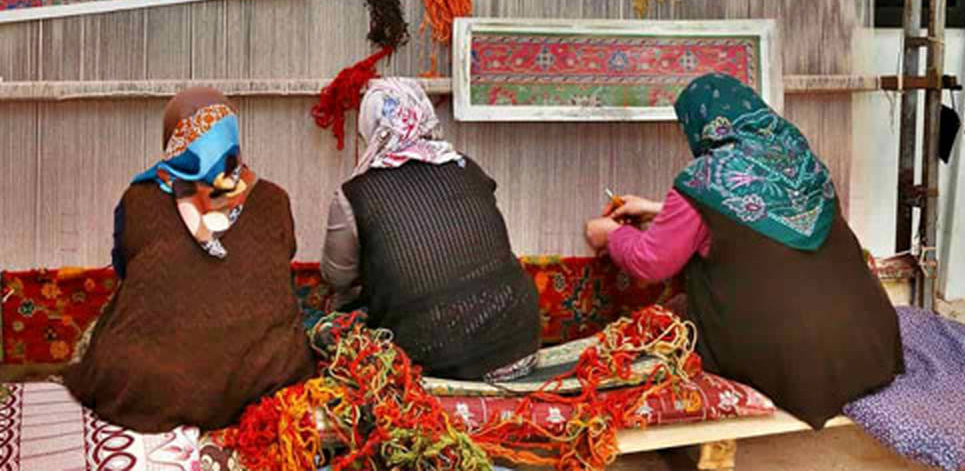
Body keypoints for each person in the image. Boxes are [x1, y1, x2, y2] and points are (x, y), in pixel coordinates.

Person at [584, 73, 903, 429]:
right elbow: (761, 212)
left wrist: (611, 235)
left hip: (797, 369)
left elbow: (652, 261)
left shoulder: (704, 179)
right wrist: (660, 210)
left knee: (679, 313)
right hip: (871, 350)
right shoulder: (799, 159)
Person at [63, 88, 314, 432]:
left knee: (105, 332)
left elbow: (123, 268)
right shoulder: (273, 198)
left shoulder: (138, 199)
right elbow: (282, 259)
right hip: (265, 379)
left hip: (150, 387)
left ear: (173, 140)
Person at [321, 77, 540, 381]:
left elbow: (337, 277)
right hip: (521, 342)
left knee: (338, 316)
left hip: (436, 360)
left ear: (370, 127)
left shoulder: (355, 195)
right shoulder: (467, 168)